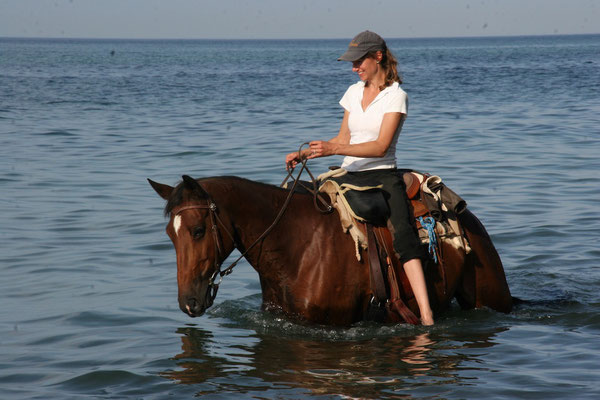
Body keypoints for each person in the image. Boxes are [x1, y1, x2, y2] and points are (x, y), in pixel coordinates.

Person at [285, 30, 434, 325]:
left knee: (403, 236)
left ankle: (427, 314)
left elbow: (380, 147)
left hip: (382, 175)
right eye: (352, 63)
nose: (354, 68)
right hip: (348, 173)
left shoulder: (396, 96)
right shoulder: (353, 92)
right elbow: (342, 138)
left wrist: (336, 148)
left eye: (359, 61)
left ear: (378, 57)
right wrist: (307, 154)